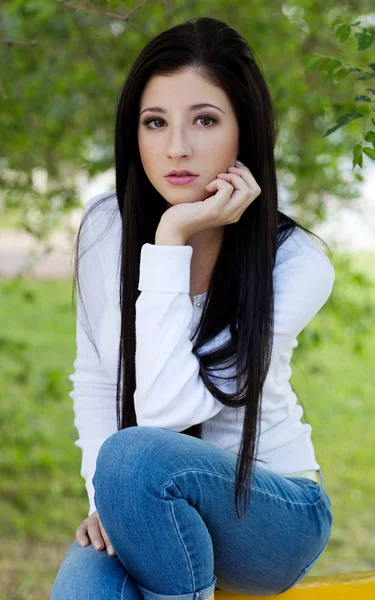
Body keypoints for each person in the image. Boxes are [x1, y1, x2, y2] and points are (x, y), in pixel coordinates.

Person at [51, 16, 335, 600]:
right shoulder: (106, 228)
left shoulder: (297, 262)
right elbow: (98, 382)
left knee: (134, 458)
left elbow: (163, 415)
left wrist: (171, 238)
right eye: (155, 123)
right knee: (86, 589)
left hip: (268, 514)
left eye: (204, 120)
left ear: (245, 133)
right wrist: (105, 503)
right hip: (146, 489)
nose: (176, 147)